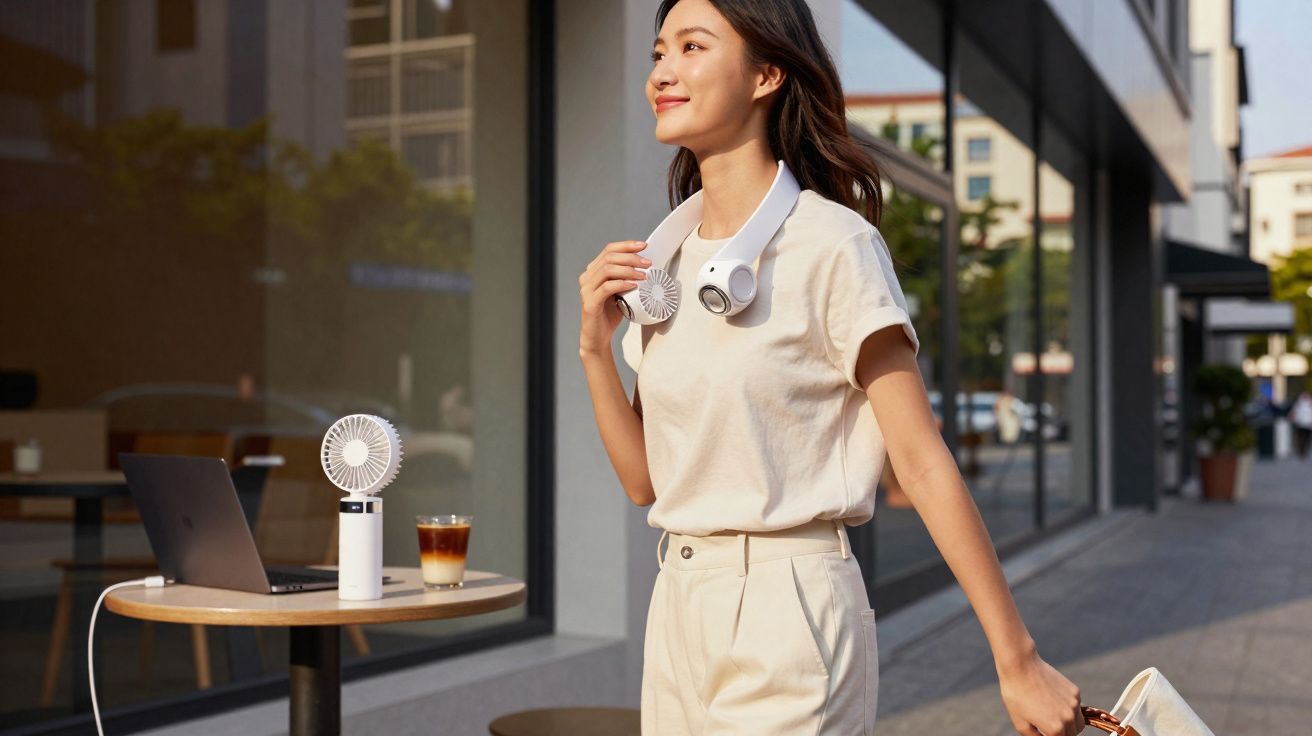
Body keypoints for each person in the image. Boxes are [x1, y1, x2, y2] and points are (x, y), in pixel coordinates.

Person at [576, 1, 1085, 734]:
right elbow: (644, 481)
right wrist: (594, 348)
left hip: (790, 607)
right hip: (679, 604)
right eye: (658, 53)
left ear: (768, 73)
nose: (662, 72)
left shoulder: (833, 245)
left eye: (691, 47)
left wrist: (1018, 659)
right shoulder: (667, 264)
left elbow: (922, 459)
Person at [1292, 389, 1312, 459]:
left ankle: (1304, 451)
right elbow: (1294, 413)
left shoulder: (1309, 404)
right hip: (1300, 424)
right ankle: (1301, 452)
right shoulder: (1299, 404)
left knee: (1307, 439)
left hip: (1308, 424)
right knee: (1301, 439)